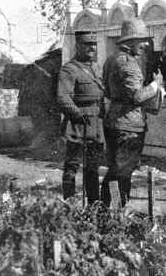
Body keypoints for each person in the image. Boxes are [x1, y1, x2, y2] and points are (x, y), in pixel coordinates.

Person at [101, 18, 163, 208]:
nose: (146, 44)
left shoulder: (112, 59)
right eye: (141, 40)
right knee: (123, 173)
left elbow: (108, 92)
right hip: (129, 127)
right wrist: (156, 85)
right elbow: (136, 96)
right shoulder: (129, 63)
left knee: (115, 170)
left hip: (114, 122)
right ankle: (116, 214)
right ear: (130, 41)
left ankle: (106, 212)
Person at [56, 30, 105, 204]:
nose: (91, 48)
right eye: (87, 44)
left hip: (96, 124)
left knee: (93, 167)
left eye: (93, 44)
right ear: (78, 45)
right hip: (78, 124)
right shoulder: (69, 69)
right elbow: (63, 98)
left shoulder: (96, 67)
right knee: (72, 166)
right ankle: (69, 204)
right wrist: (78, 115)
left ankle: (93, 205)